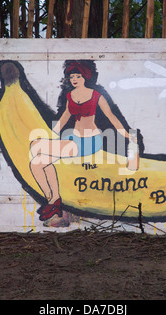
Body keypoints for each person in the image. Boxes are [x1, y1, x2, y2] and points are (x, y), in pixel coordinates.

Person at [30, 61, 131, 222]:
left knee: (36, 147)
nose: (74, 79)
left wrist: (126, 135)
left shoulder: (96, 95)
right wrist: (51, 135)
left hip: (88, 141)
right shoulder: (71, 96)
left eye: (78, 76)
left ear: (85, 77)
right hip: (72, 139)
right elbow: (64, 118)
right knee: (36, 162)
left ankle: (53, 201)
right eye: (71, 76)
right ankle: (53, 199)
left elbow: (111, 116)